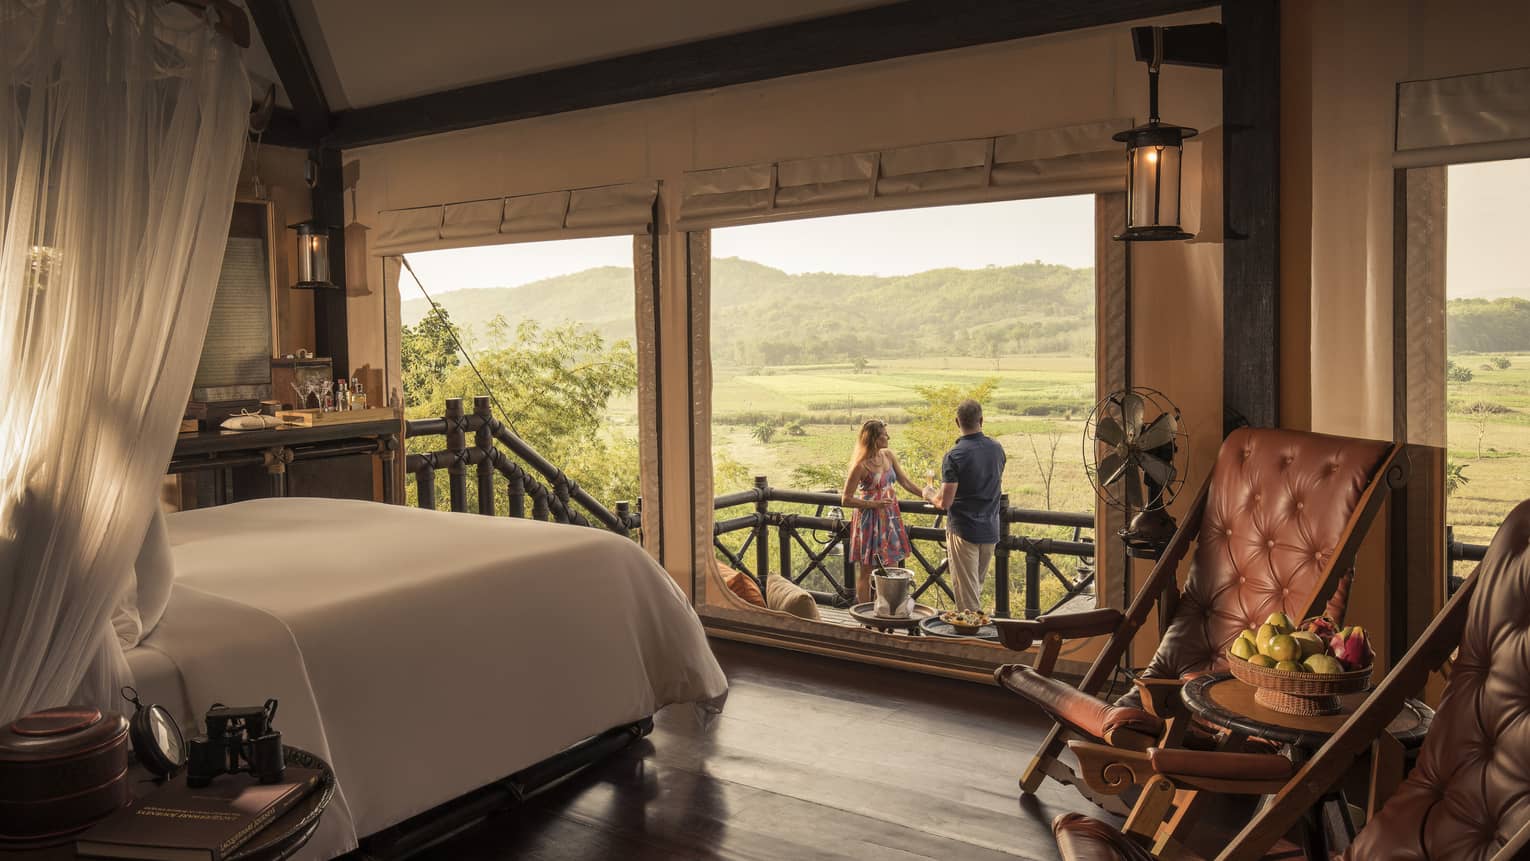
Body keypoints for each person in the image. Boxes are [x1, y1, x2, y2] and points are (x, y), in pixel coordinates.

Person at [923, 399, 1006, 611]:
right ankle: (974, 633)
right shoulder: (997, 449)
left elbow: (945, 502)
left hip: (964, 530)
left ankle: (970, 638)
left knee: (967, 596)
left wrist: (929, 493)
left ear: (957, 422)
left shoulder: (955, 456)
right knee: (975, 588)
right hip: (990, 528)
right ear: (981, 420)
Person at [842, 419, 925, 603]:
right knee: (867, 570)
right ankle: (866, 616)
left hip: (890, 518)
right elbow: (846, 499)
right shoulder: (861, 465)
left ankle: (887, 611)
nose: (888, 436)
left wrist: (928, 496)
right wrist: (874, 505)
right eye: (883, 434)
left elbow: (905, 482)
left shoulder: (887, 455)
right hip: (869, 520)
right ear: (872, 438)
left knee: (891, 567)